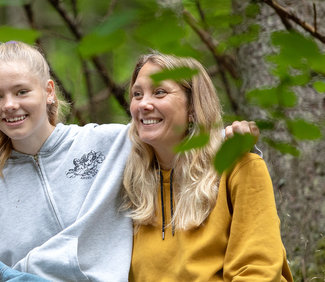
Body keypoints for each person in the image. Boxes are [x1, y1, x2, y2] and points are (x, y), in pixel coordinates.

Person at [0, 42, 261, 282]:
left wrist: (226, 141)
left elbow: (172, 136)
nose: (9, 105)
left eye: (21, 92)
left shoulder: (111, 143)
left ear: (48, 91)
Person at [122, 52, 293, 281]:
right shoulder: (129, 185)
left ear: (193, 109)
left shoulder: (239, 167)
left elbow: (257, 271)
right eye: (137, 94)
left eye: (159, 92)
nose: (143, 104)